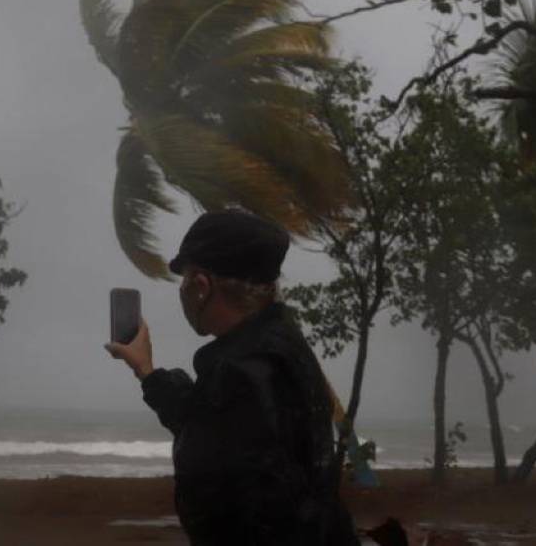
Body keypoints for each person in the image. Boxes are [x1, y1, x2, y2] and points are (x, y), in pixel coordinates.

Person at [105, 209, 361, 546]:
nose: (181, 291)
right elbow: (209, 422)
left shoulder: (243, 372)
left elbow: (239, 511)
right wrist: (147, 371)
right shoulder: (279, 345)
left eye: (184, 280)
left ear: (201, 286)